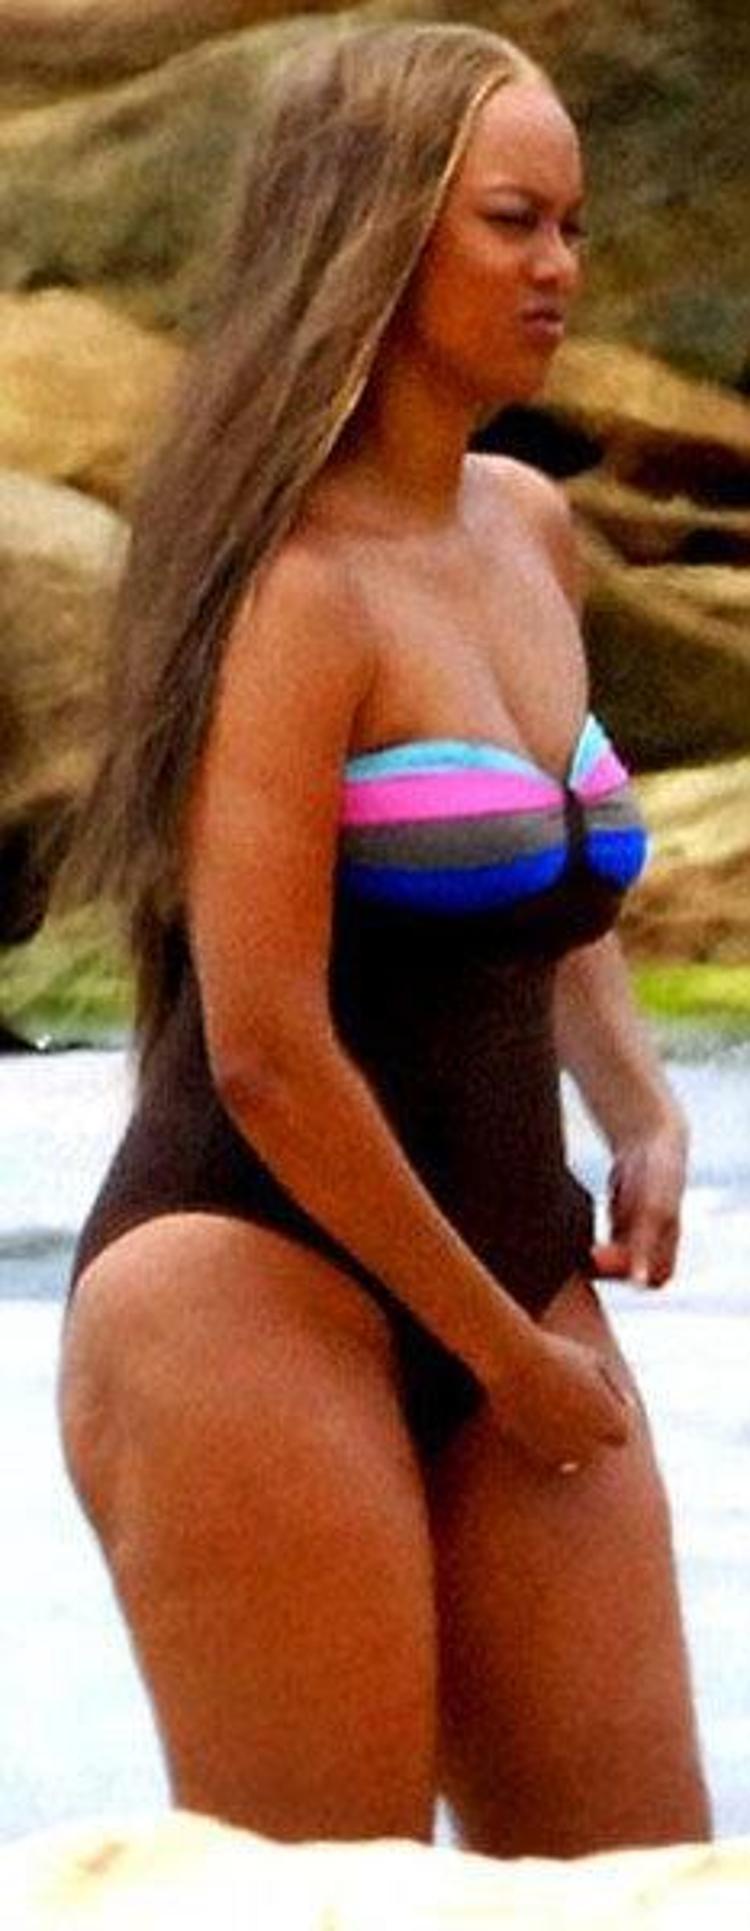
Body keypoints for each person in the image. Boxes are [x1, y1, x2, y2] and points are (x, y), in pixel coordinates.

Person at [58, 20, 711, 1854]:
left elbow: (536, 880)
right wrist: (496, 1355)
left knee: (640, 1888)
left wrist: (642, 1106)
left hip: (514, 1271)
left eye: (572, 225)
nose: (560, 268)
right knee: (320, 1897)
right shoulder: (290, 590)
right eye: (512, 222)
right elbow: (263, 1046)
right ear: (374, 232)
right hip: (243, 1288)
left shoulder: (525, 526)